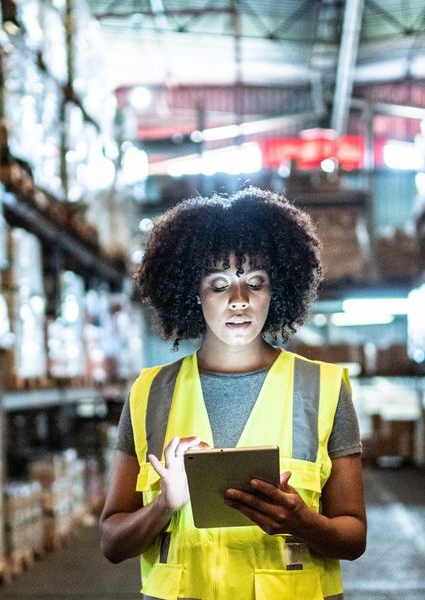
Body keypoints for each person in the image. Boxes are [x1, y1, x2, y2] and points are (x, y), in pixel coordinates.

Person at [100, 188, 367, 599]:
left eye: (255, 283)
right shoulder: (150, 394)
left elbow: (353, 538)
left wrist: (301, 520)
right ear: (195, 292)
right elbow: (112, 542)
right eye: (219, 285)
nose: (239, 301)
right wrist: (164, 505)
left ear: (277, 290)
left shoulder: (323, 388)